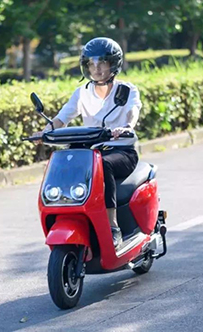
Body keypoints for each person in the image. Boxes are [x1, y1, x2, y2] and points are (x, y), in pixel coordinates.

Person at [34, 37, 142, 248]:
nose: (97, 68)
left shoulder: (127, 90)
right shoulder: (82, 93)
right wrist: (44, 132)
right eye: (91, 63)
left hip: (121, 152)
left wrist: (127, 127)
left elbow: (132, 111)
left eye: (102, 62)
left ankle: (113, 227)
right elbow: (61, 118)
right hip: (90, 153)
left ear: (113, 64)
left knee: (104, 166)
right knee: (65, 165)